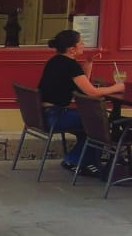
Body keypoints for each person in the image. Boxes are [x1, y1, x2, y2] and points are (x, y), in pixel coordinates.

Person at [36, 29, 123, 176]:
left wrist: (89, 62)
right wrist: (116, 87)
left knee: (90, 122)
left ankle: (81, 160)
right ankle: (78, 160)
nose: (83, 44)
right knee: (98, 122)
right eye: (81, 42)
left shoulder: (55, 60)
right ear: (72, 49)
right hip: (55, 116)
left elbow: (82, 85)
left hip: (44, 114)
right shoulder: (70, 65)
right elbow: (91, 92)